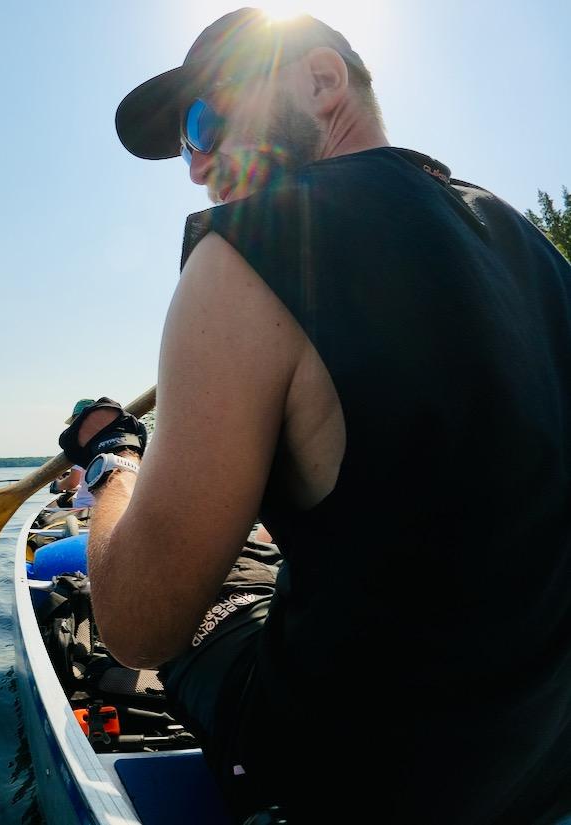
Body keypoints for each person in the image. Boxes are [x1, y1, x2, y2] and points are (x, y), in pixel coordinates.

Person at [58, 9, 571, 824]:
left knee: (184, 590)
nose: (197, 165)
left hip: (352, 780)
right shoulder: (534, 251)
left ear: (323, 82)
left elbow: (138, 623)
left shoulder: (243, 253)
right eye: (189, 142)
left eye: (206, 120)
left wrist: (116, 455)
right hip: (539, 772)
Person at [49, 399, 98, 509]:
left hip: (86, 507)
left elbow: (72, 483)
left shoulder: (80, 445)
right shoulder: (112, 441)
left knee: (58, 504)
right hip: (114, 506)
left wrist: (57, 485)